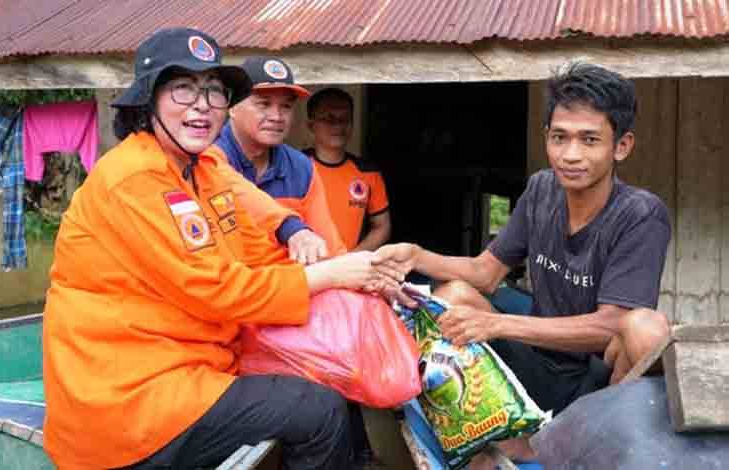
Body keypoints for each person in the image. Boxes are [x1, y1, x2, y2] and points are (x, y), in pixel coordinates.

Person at [42, 28, 403, 470]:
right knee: (320, 412)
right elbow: (215, 289)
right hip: (131, 397)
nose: (201, 105)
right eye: (183, 89)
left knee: (321, 374)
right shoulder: (134, 177)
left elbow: (258, 249)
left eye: (214, 92)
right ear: (148, 99)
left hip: (195, 365)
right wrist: (334, 275)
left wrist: (361, 276)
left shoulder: (204, 169)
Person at [375, 63, 671, 463]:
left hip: (597, 382)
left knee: (646, 327)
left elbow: (612, 325)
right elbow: (486, 274)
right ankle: (489, 439)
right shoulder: (542, 189)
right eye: (559, 138)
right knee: (456, 296)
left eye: (589, 140)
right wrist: (416, 255)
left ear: (621, 145)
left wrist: (498, 323)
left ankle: (606, 447)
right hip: (537, 365)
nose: (571, 155)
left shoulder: (640, 214)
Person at [213, 56, 346, 264]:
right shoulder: (206, 152)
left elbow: (331, 249)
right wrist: (291, 228)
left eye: (286, 106)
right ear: (231, 106)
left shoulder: (301, 168)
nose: (277, 116)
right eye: (264, 104)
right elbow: (230, 185)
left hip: (289, 287)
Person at [304, 88, 391, 252]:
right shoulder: (294, 166)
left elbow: (382, 227)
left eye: (345, 118)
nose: (338, 125)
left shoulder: (368, 172)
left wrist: (351, 259)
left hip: (350, 271)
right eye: (329, 118)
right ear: (311, 125)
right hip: (305, 270)